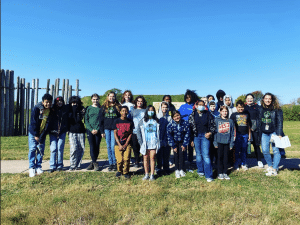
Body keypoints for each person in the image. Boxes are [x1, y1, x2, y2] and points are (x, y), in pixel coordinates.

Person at [189, 100, 215, 182]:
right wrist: (191, 139)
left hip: (205, 136)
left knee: (206, 155)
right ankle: (200, 171)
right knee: (198, 155)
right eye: (199, 105)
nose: (201, 106)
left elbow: (213, 125)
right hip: (196, 136)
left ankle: (209, 175)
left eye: (202, 105)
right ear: (196, 106)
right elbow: (190, 128)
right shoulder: (192, 115)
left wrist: (210, 133)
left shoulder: (208, 114)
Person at [258, 93, 284, 176]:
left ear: (272, 100)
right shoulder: (260, 109)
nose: (268, 100)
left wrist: (279, 133)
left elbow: (280, 122)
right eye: (266, 98)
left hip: (274, 133)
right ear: (263, 99)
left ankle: (275, 168)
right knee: (265, 151)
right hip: (264, 133)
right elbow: (259, 121)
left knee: (276, 151)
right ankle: (270, 166)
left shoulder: (277, 109)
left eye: (269, 98)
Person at [28, 93, 53, 177]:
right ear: (43, 102)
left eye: (50, 102)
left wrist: (41, 135)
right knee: (32, 149)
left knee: (40, 150)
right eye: (46, 102)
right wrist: (36, 135)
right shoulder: (36, 109)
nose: (48, 104)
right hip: (33, 133)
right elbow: (33, 122)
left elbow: (48, 124)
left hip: (42, 133)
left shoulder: (50, 110)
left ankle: (38, 166)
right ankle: (31, 168)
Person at [137, 105, 160, 181]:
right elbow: (138, 132)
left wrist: (158, 142)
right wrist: (141, 143)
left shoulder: (156, 121)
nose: (151, 112)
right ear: (147, 111)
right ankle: (146, 174)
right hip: (145, 143)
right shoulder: (142, 121)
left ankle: (152, 174)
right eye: (149, 110)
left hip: (153, 143)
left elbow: (159, 132)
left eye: (152, 110)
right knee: (145, 158)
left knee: (152, 158)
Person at [178, 89, 199, 171]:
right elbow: (178, 116)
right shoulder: (182, 107)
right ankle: (183, 161)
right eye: (186, 97)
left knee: (191, 145)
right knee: (184, 145)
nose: (188, 99)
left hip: (192, 129)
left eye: (189, 97)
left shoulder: (195, 106)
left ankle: (190, 161)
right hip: (184, 129)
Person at [100, 91, 121, 171]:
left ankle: (115, 163)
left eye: (113, 96)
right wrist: (102, 131)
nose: (111, 98)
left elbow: (120, 118)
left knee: (113, 146)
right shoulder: (104, 107)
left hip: (114, 129)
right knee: (108, 146)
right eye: (110, 96)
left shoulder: (118, 106)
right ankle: (110, 163)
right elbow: (101, 120)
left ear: (115, 97)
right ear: (107, 97)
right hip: (106, 129)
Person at [167, 110, 191, 178]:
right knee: (176, 155)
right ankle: (176, 169)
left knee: (181, 155)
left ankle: (181, 169)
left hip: (182, 142)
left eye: (178, 115)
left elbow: (187, 133)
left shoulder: (185, 123)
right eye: (175, 116)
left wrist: (184, 144)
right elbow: (169, 136)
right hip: (175, 142)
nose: (177, 117)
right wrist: (173, 145)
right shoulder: (170, 124)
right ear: (172, 117)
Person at [213, 106, 235, 180]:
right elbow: (214, 132)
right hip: (219, 142)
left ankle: (225, 172)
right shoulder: (216, 120)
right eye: (223, 111)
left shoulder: (230, 121)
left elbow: (232, 133)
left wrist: (231, 143)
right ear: (220, 112)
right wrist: (215, 142)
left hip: (227, 143)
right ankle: (219, 173)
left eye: (226, 111)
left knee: (226, 158)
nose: (224, 113)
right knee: (219, 158)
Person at [48, 96, 69, 173]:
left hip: (62, 132)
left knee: (60, 148)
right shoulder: (52, 110)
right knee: (53, 149)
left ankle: (60, 165)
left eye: (61, 101)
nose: (59, 103)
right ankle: (52, 166)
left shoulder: (65, 110)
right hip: (53, 132)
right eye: (57, 101)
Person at [230, 100, 251, 171]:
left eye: (242, 107)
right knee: (236, 150)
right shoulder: (233, 115)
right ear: (236, 107)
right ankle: (236, 164)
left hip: (245, 135)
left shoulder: (247, 114)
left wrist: (249, 135)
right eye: (239, 107)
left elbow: (248, 125)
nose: (240, 109)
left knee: (244, 150)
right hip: (237, 135)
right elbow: (231, 126)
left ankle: (243, 163)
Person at [113, 106, 134, 179]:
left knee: (126, 159)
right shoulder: (116, 121)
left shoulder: (130, 121)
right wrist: (119, 144)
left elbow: (130, 134)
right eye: (123, 111)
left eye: (126, 111)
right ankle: (119, 171)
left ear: (128, 112)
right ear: (120, 112)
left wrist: (125, 144)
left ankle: (126, 172)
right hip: (118, 144)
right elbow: (115, 133)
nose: (124, 112)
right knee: (119, 160)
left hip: (127, 144)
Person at [244, 93, 264, 168]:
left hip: (255, 129)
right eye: (248, 98)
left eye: (251, 98)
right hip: (246, 129)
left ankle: (259, 161)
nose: (249, 99)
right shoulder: (244, 107)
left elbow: (259, 118)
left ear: (253, 99)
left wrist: (255, 126)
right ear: (246, 99)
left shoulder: (257, 107)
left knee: (256, 145)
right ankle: (244, 162)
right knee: (245, 146)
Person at [68, 95, 86, 170]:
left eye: (76, 102)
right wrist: (74, 109)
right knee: (73, 148)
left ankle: (78, 164)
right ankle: (72, 164)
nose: (74, 104)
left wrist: (78, 110)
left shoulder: (81, 110)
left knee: (81, 148)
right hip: (72, 131)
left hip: (81, 131)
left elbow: (79, 120)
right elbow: (73, 120)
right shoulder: (69, 110)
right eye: (73, 103)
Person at [85, 94, 102, 171]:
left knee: (97, 146)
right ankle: (95, 163)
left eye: (97, 99)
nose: (95, 101)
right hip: (90, 130)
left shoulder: (101, 108)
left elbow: (102, 120)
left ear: (99, 100)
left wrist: (97, 129)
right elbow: (86, 120)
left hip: (98, 130)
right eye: (94, 99)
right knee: (92, 146)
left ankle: (93, 162)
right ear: (91, 100)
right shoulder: (89, 108)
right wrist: (91, 129)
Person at [130, 95, 147, 167]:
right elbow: (129, 120)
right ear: (136, 102)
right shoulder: (132, 111)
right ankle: (137, 161)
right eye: (138, 101)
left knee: (143, 146)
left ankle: (144, 161)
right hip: (134, 131)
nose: (140, 103)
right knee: (135, 147)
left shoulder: (146, 110)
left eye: (141, 101)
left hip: (143, 132)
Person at [156, 101, 172, 175]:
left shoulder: (169, 118)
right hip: (159, 138)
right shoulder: (157, 117)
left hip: (167, 138)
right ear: (160, 108)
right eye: (163, 107)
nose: (164, 109)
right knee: (159, 155)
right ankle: (159, 168)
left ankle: (166, 168)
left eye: (166, 107)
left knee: (166, 155)